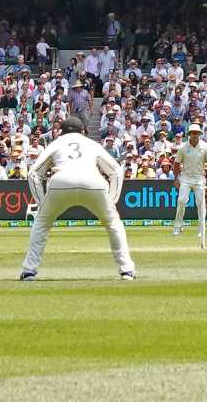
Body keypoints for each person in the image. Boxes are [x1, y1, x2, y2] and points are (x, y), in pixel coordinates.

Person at [20, 110, 134, 282]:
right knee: (113, 223)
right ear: (82, 131)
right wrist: (112, 201)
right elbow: (116, 172)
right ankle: (127, 271)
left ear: (61, 131)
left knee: (42, 223)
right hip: (93, 182)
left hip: (61, 181)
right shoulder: (92, 144)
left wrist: (42, 203)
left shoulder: (56, 143)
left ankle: (29, 271)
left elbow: (34, 173)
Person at [171, 126, 207, 236]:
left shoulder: (205, 146)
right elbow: (176, 164)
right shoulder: (183, 147)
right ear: (189, 134)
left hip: (199, 178)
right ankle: (177, 227)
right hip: (186, 178)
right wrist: (176, 178)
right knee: (181, 200)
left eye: (196, 133)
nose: (194, 134)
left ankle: (202, 230)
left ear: (199, 134)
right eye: (192, 132)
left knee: (201, 203)